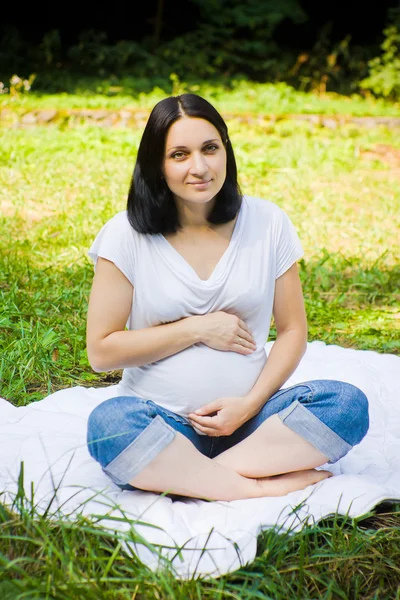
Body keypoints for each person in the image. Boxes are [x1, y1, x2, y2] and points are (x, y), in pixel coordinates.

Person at [85, 93, 369, 502]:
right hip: (161, 422)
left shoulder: (268, 222)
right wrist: (198, 329)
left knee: (346, 404)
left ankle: (189, 476)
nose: (199, 167)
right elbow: (102, 352)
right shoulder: (125, 234)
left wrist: (250, 405)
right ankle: (250, 486)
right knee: (110, 427)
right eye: (179, 154)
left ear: (226, 151)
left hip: (254, 424)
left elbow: (292, 331)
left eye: (210, 149)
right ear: (156, 165)